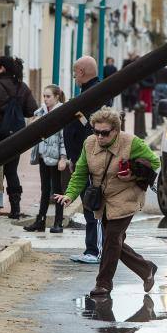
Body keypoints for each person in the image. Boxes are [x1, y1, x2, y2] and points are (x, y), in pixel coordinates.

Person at [55, 107, 161, 297]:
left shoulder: (131, 142)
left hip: (126, 196)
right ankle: (146, 269)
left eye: (105, 133)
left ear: (116, 131)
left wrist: (133, 173)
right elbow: (80, 173)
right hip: (103, 200)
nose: (100, 137)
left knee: (111, 239)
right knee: (115, 242)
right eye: (96, 132)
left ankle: (103, 284)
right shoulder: (89, 144)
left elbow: (154, 162)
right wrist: (70, 194)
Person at [0, 56, 38, 219]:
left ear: (2, 68)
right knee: (12, 171)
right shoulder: (22, 87)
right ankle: (16, 209)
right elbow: (32, 109)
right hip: (15, 137)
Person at [64, 56, 109, 264]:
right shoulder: (88, 92)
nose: (74, 76)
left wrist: (82, 158)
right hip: (82, 159)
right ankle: (91, 249)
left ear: (81, 72)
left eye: (75, 72)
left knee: (94, 204)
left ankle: (96, 251)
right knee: (89, 205)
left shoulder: (97, 94)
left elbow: (90, 129)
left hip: (91, 160)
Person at [24, 85, 68, 234]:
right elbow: (32, 130)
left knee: (57, 190)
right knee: (44, 189)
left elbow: (64, 138)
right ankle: (40, 221)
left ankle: (58, 222)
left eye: (48, 96)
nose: (45, 99)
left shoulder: (62, 113)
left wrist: (63, 158)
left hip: (56, 158)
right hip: (43, 155)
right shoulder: (42, 112)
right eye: (44, 96)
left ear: (56, 97)